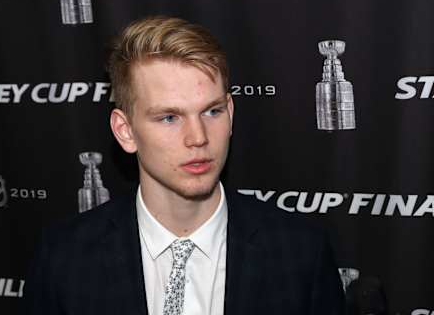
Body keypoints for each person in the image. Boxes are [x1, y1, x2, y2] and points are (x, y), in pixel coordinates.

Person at [23, 16, 345, 315]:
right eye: (169, 117)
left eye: (212, 111)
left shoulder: (301, 255)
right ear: (125, 131)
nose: (198, 138)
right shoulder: (64, 260)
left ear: (230, 113)